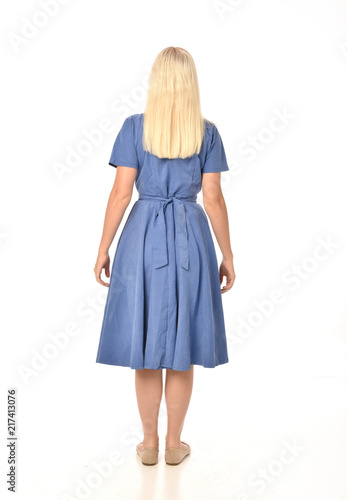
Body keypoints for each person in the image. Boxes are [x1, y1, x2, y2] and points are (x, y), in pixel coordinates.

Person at [94, 46, 236, 466]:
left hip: (141, 238)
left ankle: (149, 444)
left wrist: (102, 247)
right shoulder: (206, 132)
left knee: (144, 342)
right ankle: (175, 444)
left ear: (155, 81)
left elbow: (121, 193)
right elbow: (212, 198)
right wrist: (227, 254)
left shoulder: (134, 128)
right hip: (191, 239)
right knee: (182, 342)